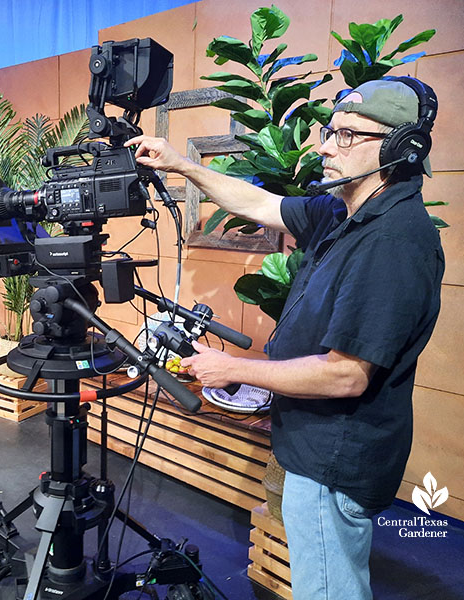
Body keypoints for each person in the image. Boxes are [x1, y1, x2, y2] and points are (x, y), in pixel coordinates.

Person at [127, 78, 444, 599]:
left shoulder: (393, 241)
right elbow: (261, 205)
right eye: (329, 131)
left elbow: (346, 374)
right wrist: (182, 165)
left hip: (333, 461)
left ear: (399, 147)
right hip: (313, 447)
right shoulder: (345, 212)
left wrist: (232, 369)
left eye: (345, 135)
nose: (324, 146)